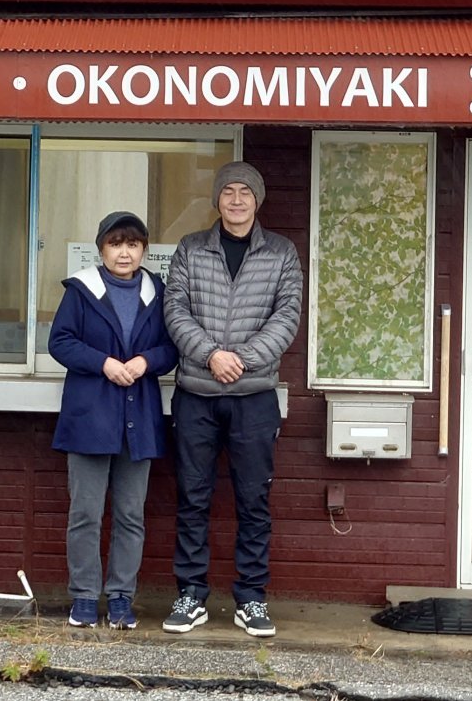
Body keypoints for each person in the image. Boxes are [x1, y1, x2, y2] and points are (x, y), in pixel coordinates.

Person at [160, 162, 303, 638]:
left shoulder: (282, 253)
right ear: (217, 200)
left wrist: (238, 360)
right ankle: (191, 594)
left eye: (245, 192)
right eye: (229, 192)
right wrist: (209, 355)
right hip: (196, 394)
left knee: (253, 500)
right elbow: (174, 309)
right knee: (193, 498)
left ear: (257, 200)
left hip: (254, 397)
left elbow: (288, 317)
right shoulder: (190, 249)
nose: (237, 200)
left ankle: (252, 598)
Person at [48, 210, 177, 630]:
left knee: (129, 514)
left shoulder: (157, 291)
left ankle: (121, 596)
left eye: (133, 244)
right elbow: (60, 342)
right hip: (90, 416)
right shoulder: (81, 291)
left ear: (144, 249)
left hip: (137, 417)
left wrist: (145, 360)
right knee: (85, 513)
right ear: (101, 248)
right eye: (116, 243)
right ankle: (84, 596)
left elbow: (171, 347)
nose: (125, 252)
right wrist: (104, 363)